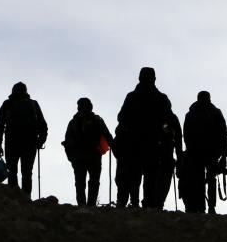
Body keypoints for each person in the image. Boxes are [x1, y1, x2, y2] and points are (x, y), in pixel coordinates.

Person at [114, 67, 174, 208]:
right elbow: (167, 121)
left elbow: (121, 117)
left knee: (136, 175)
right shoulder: (161, 98)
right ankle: (147, 204)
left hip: (138, 142)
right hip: (150, 143)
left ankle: (136, 203)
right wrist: (165, 133)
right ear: (154, 79)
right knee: (149, 175)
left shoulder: (133, 97)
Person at [0, 82, 48, 195]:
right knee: (26, 173)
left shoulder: (8, 104)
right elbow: (43, 125)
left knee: (13, 172)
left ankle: (14, 197)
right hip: (29, 143)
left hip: (12, 143)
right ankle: (25, 198)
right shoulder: (32, 104)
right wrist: (40, 141)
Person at [181, 91, 227, 214]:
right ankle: (209, 207)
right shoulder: (214, 112)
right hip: (208, 152)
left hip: (201, 152)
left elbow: (186, 134)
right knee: (208, 179)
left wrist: (223, 154)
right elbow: (223, 134)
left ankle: (204, 207)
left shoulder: (191, 114)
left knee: (201, 180)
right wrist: (223, 154)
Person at [61, 98, 114, 206]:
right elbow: (107, 135)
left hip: (79, 157)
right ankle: (91, 205)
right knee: (93, 181)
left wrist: (71, 157)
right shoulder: (97, 120)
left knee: (80, 182)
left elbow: (67, 140)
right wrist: (114, 146)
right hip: (94, 155)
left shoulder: (73, 122)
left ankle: (82, 205)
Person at [145, 112, 182, 210]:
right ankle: (158, 202)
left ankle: (150, 201)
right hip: (165, 154)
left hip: (154, 153)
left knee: (152, 177)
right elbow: (178, 137)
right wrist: (179, 156)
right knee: (163, 179)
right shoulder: (172, 117)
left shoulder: (151, 115)